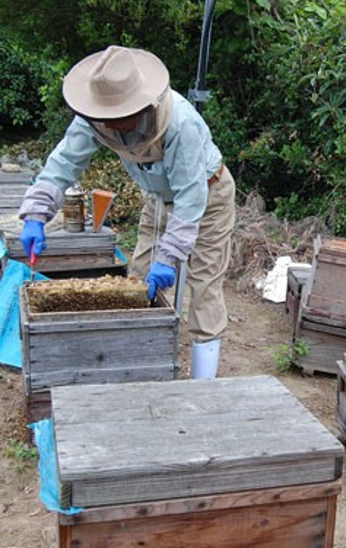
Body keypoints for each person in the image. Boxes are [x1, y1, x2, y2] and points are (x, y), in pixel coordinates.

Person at [18, 45, 235, 380]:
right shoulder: (94, 114)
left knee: (203, 286)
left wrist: (171, 255)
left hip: (208, 193)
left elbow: (192, 200)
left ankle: (202, 389)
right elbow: (64, 162)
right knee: (139, 277)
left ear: (142, 104)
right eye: (107, 117)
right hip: (158, 198)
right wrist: (36, 213)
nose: (112, 124)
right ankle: (141, 367)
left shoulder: (181, 123)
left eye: (120, 116)